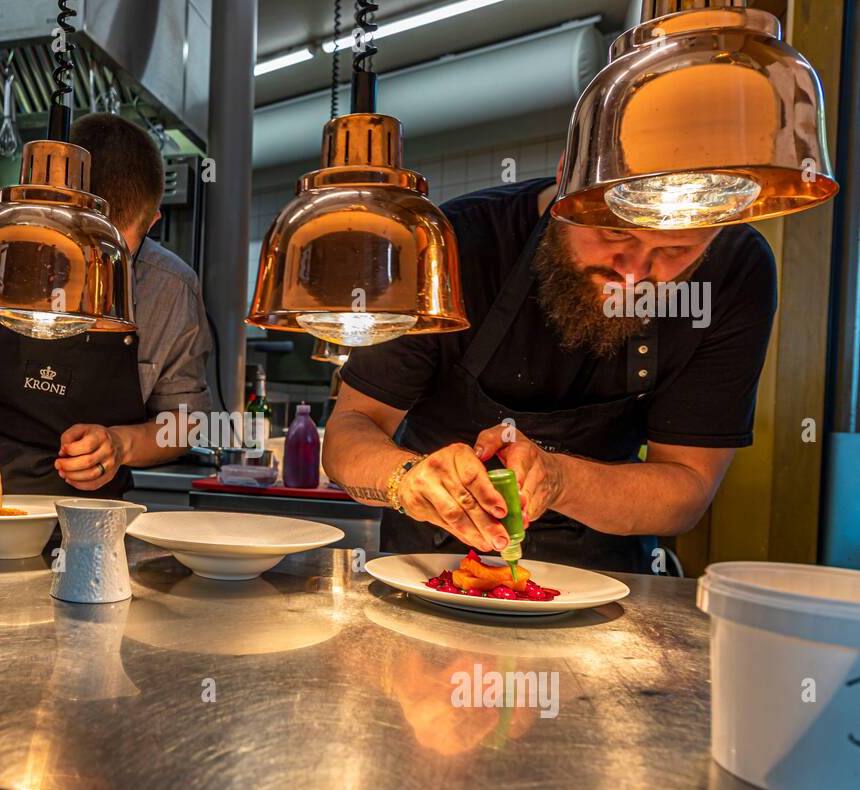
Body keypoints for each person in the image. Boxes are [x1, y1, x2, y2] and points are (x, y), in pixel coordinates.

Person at [322, 167, 777, 572]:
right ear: (568, 181)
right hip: (429, 565)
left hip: (606, 583)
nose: (635, 275)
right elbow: (349, 433)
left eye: (676, 250)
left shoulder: (734, 270)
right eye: (616, 234)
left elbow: (688, 487)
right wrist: (408, 478)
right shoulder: (455, 241)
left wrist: (560, 479)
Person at [0, 112, 211, 513]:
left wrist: (121, 445)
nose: (87, 274)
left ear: (153, 222)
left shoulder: (171, 288)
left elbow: (184, 423)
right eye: (69, 247)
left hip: (93, 526)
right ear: (41, 203)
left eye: (111, 256)